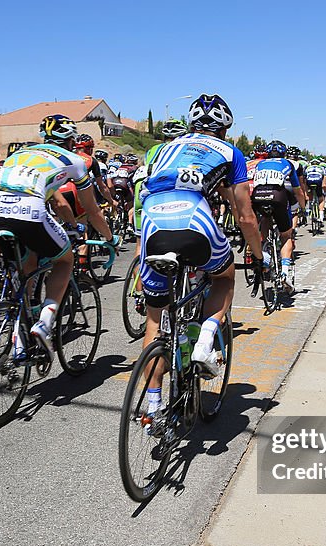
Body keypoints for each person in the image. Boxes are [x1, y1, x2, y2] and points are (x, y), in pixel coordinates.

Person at [137, 93, 263, 388]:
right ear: (225, 129)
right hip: (194, 217)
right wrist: (256, 256)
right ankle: (205, 342)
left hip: (152, 221)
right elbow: (244, 215)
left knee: (155, 322)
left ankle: (152, 409)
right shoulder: (231, 152)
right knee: (224, 277)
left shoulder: (162, 149)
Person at [0, 114, 114, 359]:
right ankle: (45, 321)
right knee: (64, 260)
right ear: (71, 141)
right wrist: (109, 237)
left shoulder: (20, 154)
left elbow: (58, 201)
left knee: (26, 266)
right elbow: (92, 210)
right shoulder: (74, 160)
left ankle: (19, 340)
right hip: (28, 208)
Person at [250, 140, 306, 291]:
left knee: (266, 218)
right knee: (286, 235)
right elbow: (298, 190)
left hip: (257, 195)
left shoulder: (260, 163)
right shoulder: (287, 163)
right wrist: (303, 206)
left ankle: (264, 252)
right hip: (278, 195)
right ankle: (286, 273)